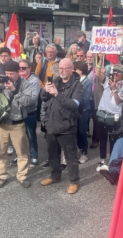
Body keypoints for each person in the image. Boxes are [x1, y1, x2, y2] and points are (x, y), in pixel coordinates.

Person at [40, 58, 84, 194]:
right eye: (60, 69)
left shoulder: (77, 85)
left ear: (72, 69)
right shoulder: (55, 81)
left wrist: (57, 94)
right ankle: (55, 176)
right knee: (53, 154)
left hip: (67, 126)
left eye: (65, 68)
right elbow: (43, 98)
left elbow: (74, 105)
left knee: (71, 156)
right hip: (52, 123)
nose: (62, 71)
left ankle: (74, 181)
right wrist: (45, 90)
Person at [0, 60, 32, 188]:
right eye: (7, 73)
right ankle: (2, 176)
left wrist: (14, 90)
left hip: (17, 123)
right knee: (1, 152)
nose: (9, 76)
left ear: (18, 72)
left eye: (12, 74)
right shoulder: (2, 82)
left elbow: (28, 101)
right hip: (2, 123)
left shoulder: (25, 84)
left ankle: (22, 176)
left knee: (21, 151)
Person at [95, 64, 123, 172]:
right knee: (102, 139)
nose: (115, 75)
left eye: (118, 73)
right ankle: (102, 159)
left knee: (113, 139)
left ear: (122, 75)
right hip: (103, 114)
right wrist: (100, 60)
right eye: (114, 73)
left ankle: (112, 161)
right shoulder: (107, 81)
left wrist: (114, 89)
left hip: (114, 117)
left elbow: (118, 101)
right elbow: (98, 73)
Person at [10, 60, 41, 167]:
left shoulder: (34, 81)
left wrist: (17, 93)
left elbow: (32, 99)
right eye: (19, 68)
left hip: (29, 112)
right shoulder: (15, 79)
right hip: (17, 113)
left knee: (31, 135)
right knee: (17, 137)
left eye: (24, 68)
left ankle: (34, 156)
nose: (21, 70)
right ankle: (18, 155)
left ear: (29, 69)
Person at [74, 61, 92, 164]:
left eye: (76, 69)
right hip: (76, 109)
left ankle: (84, 153)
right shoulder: (76, 80)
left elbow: (86, 97)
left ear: (80, 70)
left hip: (84, 110)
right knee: (76, 131)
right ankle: (78, 149)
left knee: (82, 131)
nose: (75, 71)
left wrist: (76, 101)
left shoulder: (87, 81)